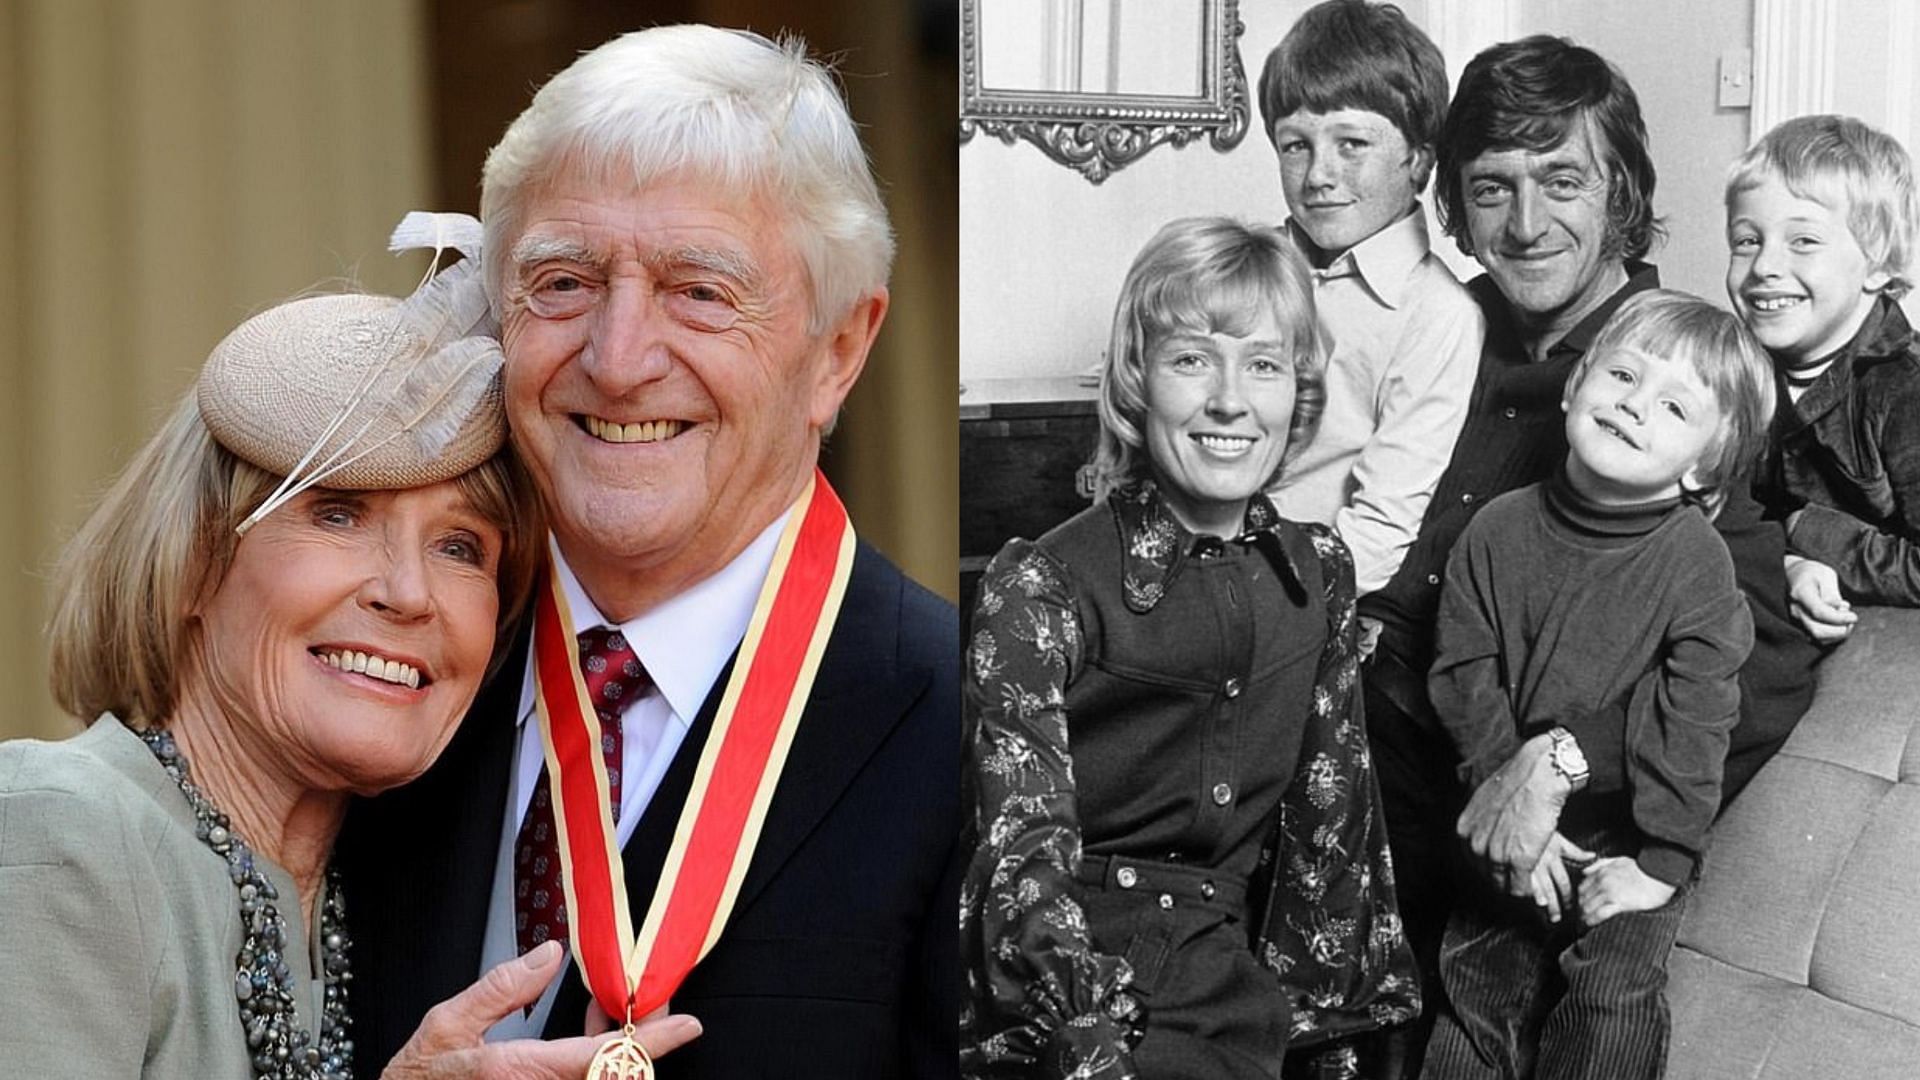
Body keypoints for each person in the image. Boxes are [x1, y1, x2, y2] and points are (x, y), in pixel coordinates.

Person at [337, 25, 960, 1080]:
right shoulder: (391, 679)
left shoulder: (973, 731)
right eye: (565, 282)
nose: (619, 361)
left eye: (700, 291)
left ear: (839, 351)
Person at [0, 220, 705, 1078]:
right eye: (338, 515)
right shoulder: (62, 829)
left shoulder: (358, 898)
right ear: (194, 562)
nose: (406, 593)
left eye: (461, 548)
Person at [1357, 36, 1823, 1077]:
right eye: (1491, 189)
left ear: (1622, 192)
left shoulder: (1680, 384)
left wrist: (1564, 760)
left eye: (1560, 180)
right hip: (1375, 811)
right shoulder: (1437, 333)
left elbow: (1762, 664)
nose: (1525, 225)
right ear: (1455, 206)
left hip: (1516, 848)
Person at [960, 217, 1416, 1080]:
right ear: (1138, 384)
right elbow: (1020, 858)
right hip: (1074, 999)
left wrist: (1329, 1047)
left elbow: (1332, 844)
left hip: (1234, 989)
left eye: (1265, 365)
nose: (1230, 400)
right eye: (1193, 359)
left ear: (1298, 393)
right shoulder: (1040, 584)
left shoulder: (1318, 572)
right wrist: (1085, 1034)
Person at [1421, 291, 1773, 1080]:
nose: (1634, 405)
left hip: (1637, 831)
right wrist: (1502, 810)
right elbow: (1463, 675)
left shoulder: (1695, 561)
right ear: (1576, 385)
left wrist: (1664, 863)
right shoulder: (1496, 528)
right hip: (1508, 812)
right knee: (1473, 984)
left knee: (1610, 993)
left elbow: (1699, 712)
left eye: (1674, 407)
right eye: (1622, 374)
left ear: (1702, 469)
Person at [1256, 0, 1482, 599]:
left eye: (1352, 143)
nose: (1317, 175)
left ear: (1419, 161)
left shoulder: (1437, 315)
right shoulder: (1249, 273)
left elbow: (1381, 526)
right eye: (1295, 145)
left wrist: (1260, 609)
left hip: (1299, 597)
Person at [1726, 114, 1920, 609]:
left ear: (1876, 264)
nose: (1765, 267)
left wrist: (1807, 533)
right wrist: (1786, 563)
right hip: (1772, 596)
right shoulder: (1736, 371)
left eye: (1803, 241)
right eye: (1747, 241)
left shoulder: (1905, 389)